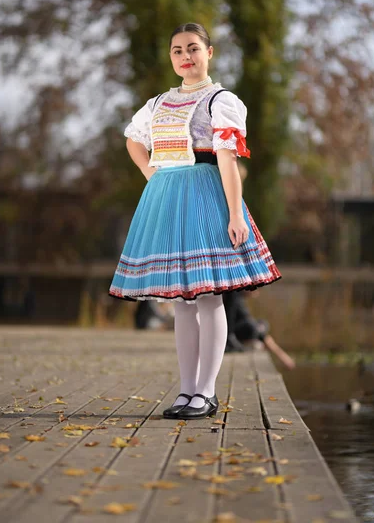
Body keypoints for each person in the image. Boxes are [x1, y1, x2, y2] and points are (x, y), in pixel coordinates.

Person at [109, 22, 281, 420]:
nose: (185, 57)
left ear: (209, 52)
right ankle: (186, 391)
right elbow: (135, 141)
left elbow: (227, 160)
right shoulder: (158, 103)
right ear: (172, 57)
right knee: (182, 303)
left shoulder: (220, 100)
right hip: (167, 196)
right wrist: (154, 176)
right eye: (177, 51)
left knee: (208, 296)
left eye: (192, 49)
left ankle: (206, 391)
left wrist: (235, 214)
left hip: (206, 196)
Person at [223, 291, 296, 370]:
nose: (257, 292)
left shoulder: (239, 297)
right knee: (253, 328)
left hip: (238, 328)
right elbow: (243, 320)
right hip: (231, 333)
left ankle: (255, 343)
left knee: (263, 324)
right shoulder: (233, 295)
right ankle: (246, 344)